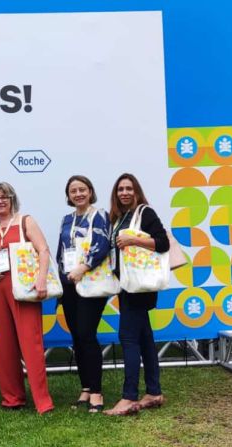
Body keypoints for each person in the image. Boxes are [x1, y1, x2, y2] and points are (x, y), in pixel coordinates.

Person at [0, 182, 54, 414]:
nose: (0, 201)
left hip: (25, 287)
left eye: (4, 197)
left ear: (12, 198)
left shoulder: (26, 220)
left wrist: (42, 278)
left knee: (31, 343)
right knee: (2, 344)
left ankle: (42, 401)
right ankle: (12, 398)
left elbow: (43, 250)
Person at [104, 173, 169, 416]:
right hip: (127, 285)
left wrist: (133, 239)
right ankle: (154, 391)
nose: (124, 192)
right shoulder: (119, 218)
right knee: (144, 339)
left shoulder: (145, 213)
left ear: (136, 191)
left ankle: (129, 397)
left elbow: (163, 243)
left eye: (129, 188)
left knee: (128, 337)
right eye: (120, 189)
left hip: (140, 287)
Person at [55, 175, 111, 413]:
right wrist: (60, 281)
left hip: (90, 283)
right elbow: (62, 250)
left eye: (82, 189)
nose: (78, 194)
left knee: (87, 334)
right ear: (68, 195)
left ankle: (97, 392)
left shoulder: (100, 215)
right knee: (77, 336)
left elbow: (102, 244)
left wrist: (82, 268)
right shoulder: (66, 219)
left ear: (90, 191)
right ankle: (85, 387)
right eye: (73, 191)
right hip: (69, 285)